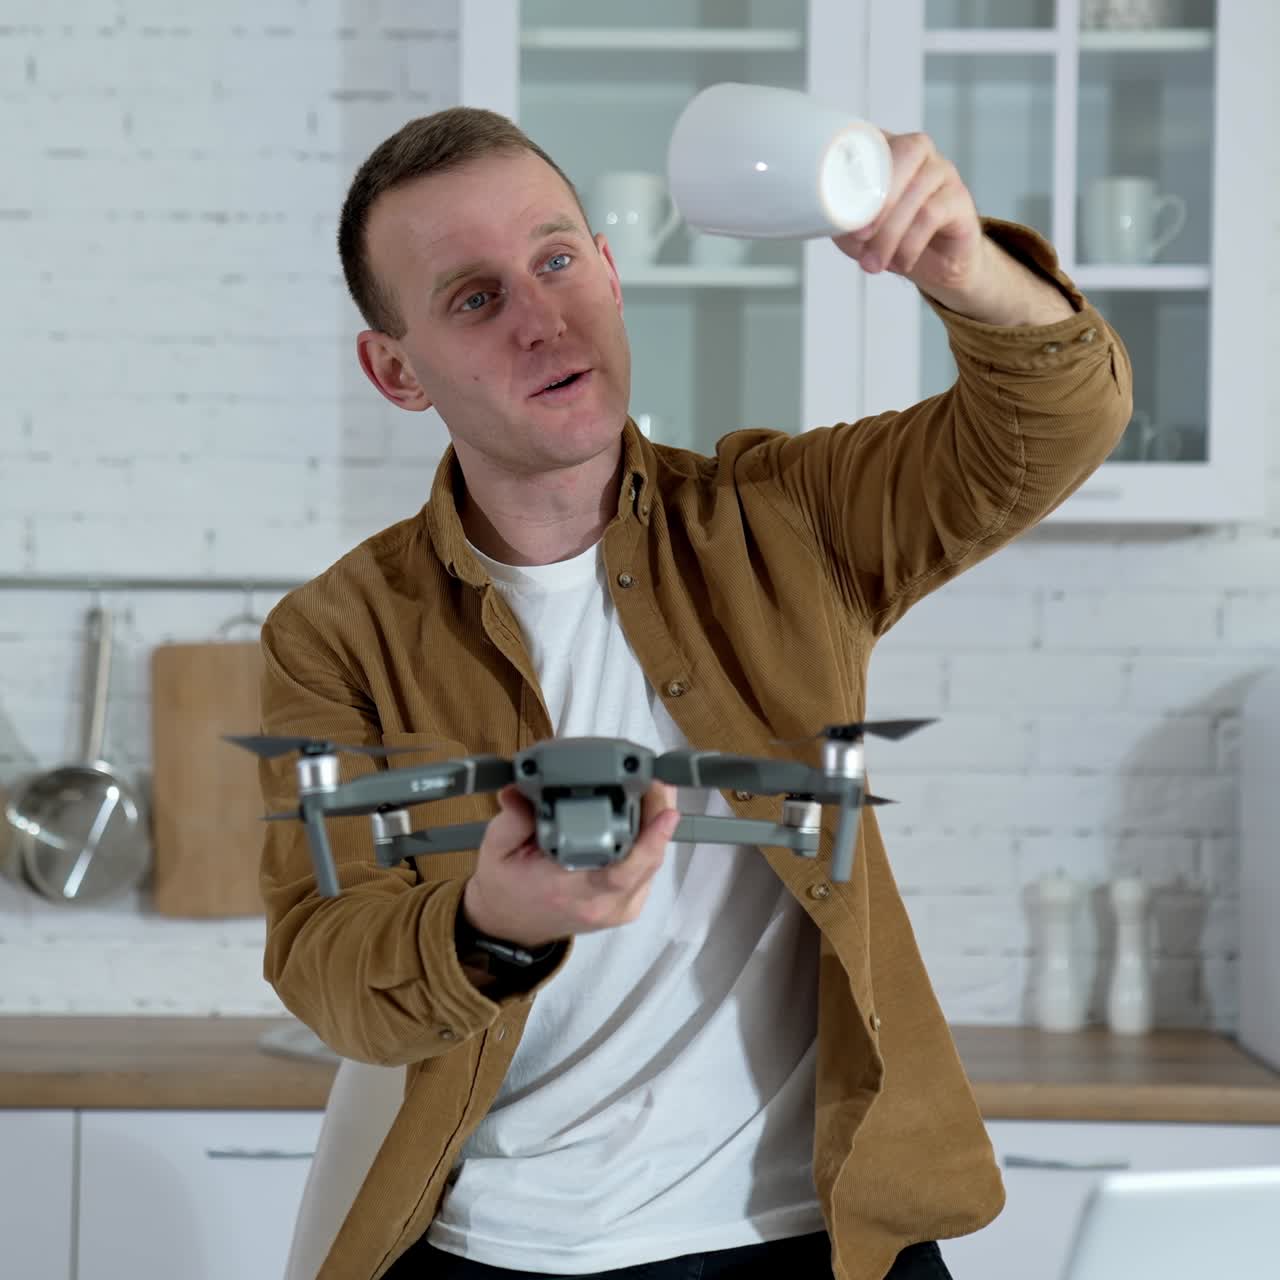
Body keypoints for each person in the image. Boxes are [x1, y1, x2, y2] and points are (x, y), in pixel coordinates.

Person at [258, 103, 1131, 1280]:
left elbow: (1060, 416)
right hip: (503, 1248)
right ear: (396, 370)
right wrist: (490, 924)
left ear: (609, 273)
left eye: (556, 261)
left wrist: (963, 266)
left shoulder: (787, 518)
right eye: (473, 298)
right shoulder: (335, 633)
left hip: (819, 1236)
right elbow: (326, 963)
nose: (541, 318)